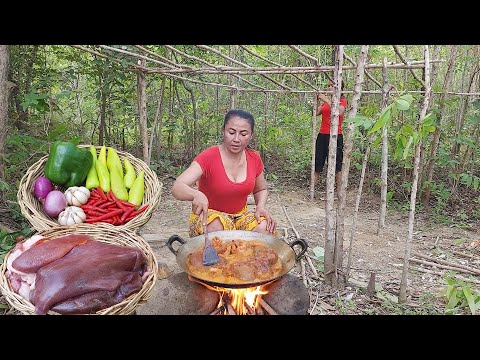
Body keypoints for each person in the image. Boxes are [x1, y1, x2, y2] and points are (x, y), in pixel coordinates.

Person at [171, 109, 277, 238]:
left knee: (265, 227)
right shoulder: (208, 157)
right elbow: (177, 187)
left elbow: (261, 189)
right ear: (223, 131)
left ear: (251, 135)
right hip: (209, 217)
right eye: (231, 132)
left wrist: (260, 206)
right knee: (216, 229)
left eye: (243, 134)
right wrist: (196, 194)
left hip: (240, 217)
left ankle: (248, 257)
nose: (236, 139)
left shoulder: (254, 158)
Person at [314, 79, 347, 192]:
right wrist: (318, 100)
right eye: (328, 85)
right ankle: (312, 190)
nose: (329, 88)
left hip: (336, 135)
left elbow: (339, 112)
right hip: (322, 135)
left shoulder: (342, 101)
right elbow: (315, 113)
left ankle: (339, 192)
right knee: (317, 163)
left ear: (340, 88)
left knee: (337, 166)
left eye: (332, 86)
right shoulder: (325, 102)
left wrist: (326, 99)